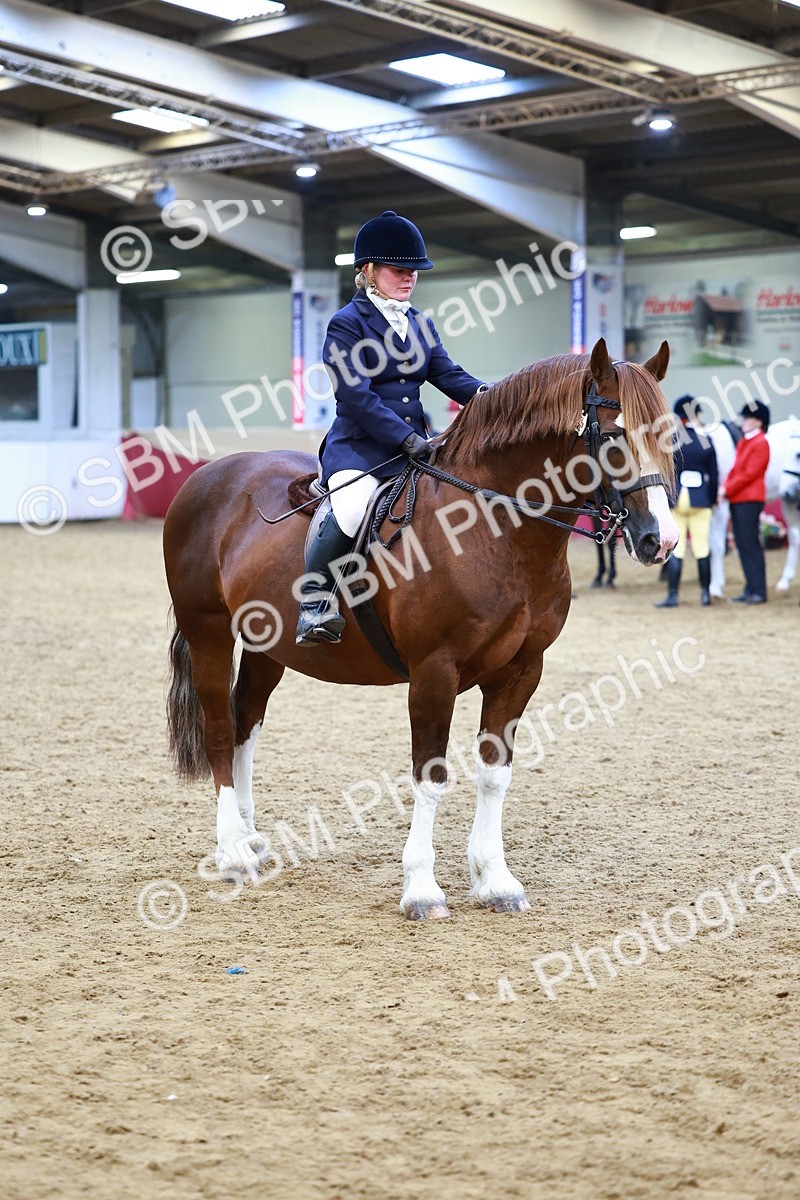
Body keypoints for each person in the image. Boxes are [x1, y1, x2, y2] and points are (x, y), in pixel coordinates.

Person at [295, 210, 487, 646]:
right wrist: (405, 439)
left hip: (417, 449)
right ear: (368, 270)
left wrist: (497, 396)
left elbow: (449, 375)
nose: (409, 279)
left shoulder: (419, 323)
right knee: (351, 504)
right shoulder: (347, 323)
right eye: (399, 270)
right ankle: (314, 602)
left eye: (413, 271)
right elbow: (355, 397)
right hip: (361, 449)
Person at [656, 395, 718, 608]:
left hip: (677, 499)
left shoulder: (670, 441)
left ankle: (673, 595)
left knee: (677, 549)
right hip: (700, 499)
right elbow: (715, 476)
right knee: (702, 547)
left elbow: (664, 474)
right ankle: (705, 595)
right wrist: (712, 499)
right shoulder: (706, 441)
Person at [720, 399, 771, 604]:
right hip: (738, 498)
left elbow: (749, 474)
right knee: (744, 545)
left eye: (748, 417)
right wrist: (725, 487)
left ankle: (758, 590)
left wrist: (727, 489)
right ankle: (750, 588)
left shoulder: (761, 443)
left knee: (751, 545)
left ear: (758, 422)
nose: (744, 420)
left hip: (749, 499)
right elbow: (735, 470)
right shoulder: (744, 441)